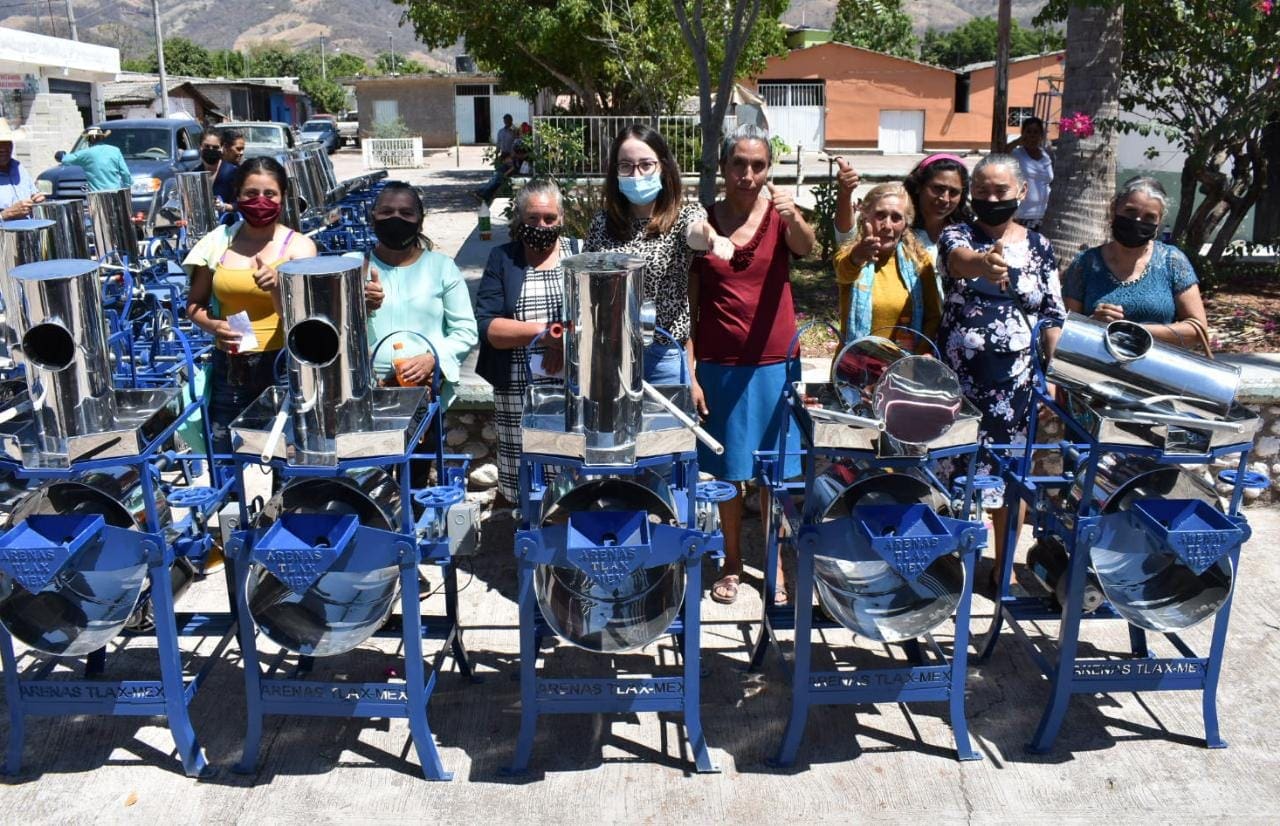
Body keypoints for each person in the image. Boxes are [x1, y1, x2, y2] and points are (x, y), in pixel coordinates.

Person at [691, 125, 815, 605]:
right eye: (739, 164)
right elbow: (690, 301)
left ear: (768, 170)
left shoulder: (781, 217)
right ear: (723, 167)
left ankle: (774, 562)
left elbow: (806, 248)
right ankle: (731, 562)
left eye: (758, 165)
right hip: (719, 364)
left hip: (774, 363)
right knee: (727, 471)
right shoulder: (702, 222)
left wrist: (793, 215)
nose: (748, 174)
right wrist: (691, 366)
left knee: (772, 472)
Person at [936, 153, 1066, 585]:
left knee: (1011, 476)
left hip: (1018, 387)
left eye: (1000, 191)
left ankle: (1003, 567)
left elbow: (1052, 314)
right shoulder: (957, 233)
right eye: (981, 191)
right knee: (955, 470)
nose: (991, 199)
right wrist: (985, 264)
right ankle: (952, 562)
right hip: (961, 384)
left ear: (1022, 192)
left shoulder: (1040, 247)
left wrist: (1055, 375)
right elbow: (959, 260)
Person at [184, 157, 317, 456]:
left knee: (286, 455)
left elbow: (304, 322)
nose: (260, 201)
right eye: (251, 193)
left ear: (283, 197)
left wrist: (279, 287)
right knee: (225, 454)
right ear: (237, 195)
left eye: (270, 194)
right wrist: (213, 325)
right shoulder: (217, 243)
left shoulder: (299, 248)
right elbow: (193, 304)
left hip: (284, 366)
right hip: (231, 365)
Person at [585, 124, 722, 385]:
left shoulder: (682, 217)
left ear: (663, 167)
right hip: (612, 355)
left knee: (668, 415)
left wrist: (712, 237)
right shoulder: (602, 223)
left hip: (663, 356)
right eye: (626, 166)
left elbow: (696, 232)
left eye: (646, 165)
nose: (636, 174)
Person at [475, 178, 582, 505]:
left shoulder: (580, 254)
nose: (542, 226)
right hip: (517, 391)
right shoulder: (503, 259)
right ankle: (529, 526)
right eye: (533, 218)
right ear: (519, 219)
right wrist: (546, 334)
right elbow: (489, 327)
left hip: (571, 387)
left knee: (571, 471)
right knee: (526, 476)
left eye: (550, 218)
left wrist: (564, 344)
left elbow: (595, 317)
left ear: (562, 218)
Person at [361, 182, 477, 410]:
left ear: (420, 221)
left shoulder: (441, 267)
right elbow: (333, 332)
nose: (395, 219)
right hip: (366, 395)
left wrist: (433, 358)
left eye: (406, 213)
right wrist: (359, 307)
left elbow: (466, 331)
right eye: (386, 212)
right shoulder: (352, 266)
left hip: (426, 394)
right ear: (373, 218)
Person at [1063, 176, 1208, 346]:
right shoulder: (1085, 263)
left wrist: (1132, 330)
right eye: (1130, 212)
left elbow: (1198, 330)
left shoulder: (1172, 261)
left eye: (1149, 217)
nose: (1137, 221)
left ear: (1159, 221)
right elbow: (1066, 329)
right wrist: (1093, 323)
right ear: (1113, 209)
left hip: (1157, 362)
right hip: (1096, 360)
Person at [834, 181, 941, 352]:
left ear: (905, 225)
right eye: (880, 216)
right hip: (855, 363)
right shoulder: (851, 255)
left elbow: (933, 316)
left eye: (896, 218)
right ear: (865, 218)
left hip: (905, 364)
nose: (887, 226)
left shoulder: (920, 262)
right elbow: (844, 273)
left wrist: (919, 354)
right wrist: (858, 256)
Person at [902, 153, 972, 264]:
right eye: (938, 188)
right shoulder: (898, 229)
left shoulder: (968, 233)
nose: (945, 199)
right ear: (918, 186)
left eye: (954, 192)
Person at [59, 125, 132, 192]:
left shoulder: (86, 153)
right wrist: (127, 186)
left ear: (90, 139)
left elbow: (65, 160)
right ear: (101, 137)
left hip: (96, 196)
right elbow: (125, 173)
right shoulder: (115, 151)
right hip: (115, 194)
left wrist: (62, 155)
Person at [1012, 117, 1053, 232]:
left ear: (1041, 135)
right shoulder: (1016, 154)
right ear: (1023, 134)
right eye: (1028, 131)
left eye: (1036, 132)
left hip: (1045, 214)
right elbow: (999, 155)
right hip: (1023, 215)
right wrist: (1016, 142)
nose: (1032, 135)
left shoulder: (1046, 156)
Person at [0, 118, 44, 220]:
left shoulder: (19, 168)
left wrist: (37, 200)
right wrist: (5, 214)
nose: (3, 148)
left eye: (7, 143)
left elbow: (33, 194)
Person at [475, 139, 531, 204]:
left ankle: (483, 193)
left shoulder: (526, 160)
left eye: (517, 153)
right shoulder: (517, 158)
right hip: (509, 174)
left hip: (515, 176)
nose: (516, 154)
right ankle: (482, 192)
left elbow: (515, 169)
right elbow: (510, 164)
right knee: (497, 176)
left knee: (498, 178)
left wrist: (505, 175)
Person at [199, 128, 238, 215]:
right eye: (207, 146)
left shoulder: (233, 172)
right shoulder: (195, 173)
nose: (211, 150)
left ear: (222, 148)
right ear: (200, 147)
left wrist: (224, 206)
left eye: (215, 147)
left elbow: (241, 204)